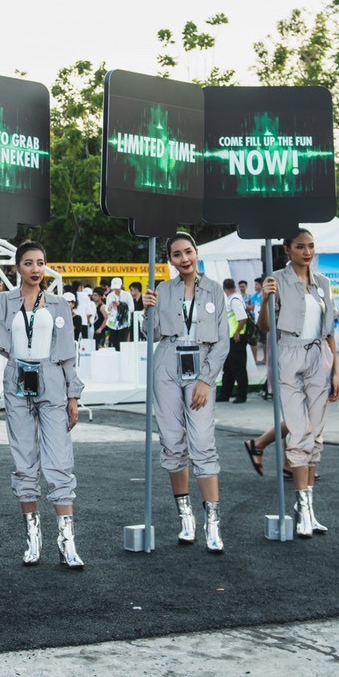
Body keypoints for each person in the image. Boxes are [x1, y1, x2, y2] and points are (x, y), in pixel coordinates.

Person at [0, 243, 86, 567]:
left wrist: (73, 397)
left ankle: (66, 542)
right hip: (17, 379)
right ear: (17, 267)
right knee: (25, 462)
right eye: (28, 263)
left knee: (59, 461)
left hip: (52, 380)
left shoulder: (59, 304)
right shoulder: (4, 301)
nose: (35, 269)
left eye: (40, 262)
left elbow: (68, 353)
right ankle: (33, 539)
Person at [139, 233, 229, 553]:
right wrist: (146, 310)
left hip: (200, 362)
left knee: (202, 441)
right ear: (170, 260)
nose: (184, 259)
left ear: (196, 252)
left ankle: (212, 522)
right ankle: (185, 516)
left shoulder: (214, 290)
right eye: (177, 254)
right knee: (172, 441)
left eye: (188, 252)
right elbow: (150, 334)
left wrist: (207, 379)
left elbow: (223, 341)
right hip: (167, 361)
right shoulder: (162, 289)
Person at [258, 229, 339, 538]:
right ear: (287, 249)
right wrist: (265, 299)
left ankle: (307, 508)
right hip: (289, 353)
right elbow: (265, 327)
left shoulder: (324, 283)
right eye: (301, 247)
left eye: (311, 246)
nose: (307, 252)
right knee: (299, 431)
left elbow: (329, 331)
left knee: (316, 434)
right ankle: (302, 509)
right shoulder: (277, 280)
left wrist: (336, 372)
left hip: (320, 354)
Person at [217, 277, 252, 403]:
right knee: (228, 368)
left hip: (237, 338)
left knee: (238, 368)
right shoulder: (234, 299)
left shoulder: (234, 300)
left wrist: (237, 332)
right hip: (231, 338)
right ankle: (225, 394)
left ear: (224, 288)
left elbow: (243, 319)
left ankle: (242, 395)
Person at [102, 279, 132, 351]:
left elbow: (132, 308)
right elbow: (107, 310)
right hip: (112, 323)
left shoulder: (127, 295)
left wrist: (120, 305)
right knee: (113, 343)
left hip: (123, 323)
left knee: (122, 343)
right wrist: (110, 307)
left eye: (117, 287)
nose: (116, 289)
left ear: (121, 286)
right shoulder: (110, 296)